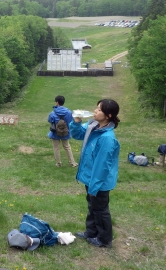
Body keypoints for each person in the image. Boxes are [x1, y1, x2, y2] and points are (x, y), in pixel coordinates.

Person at [70, 99, 120, 248]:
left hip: (99, 181)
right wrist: (77, 122)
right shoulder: (93, 126)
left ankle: (104, 240)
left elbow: (102, 166)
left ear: (108, 115)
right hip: (90, 177)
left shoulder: (107, 138)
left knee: (100, 209)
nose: (95, 111)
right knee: (92, 206)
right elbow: (78, 134)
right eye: (96, 108)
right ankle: (91, 232)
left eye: (99, 109)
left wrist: (94, 185)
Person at [47, 95, 78, 167]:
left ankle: (58, 163)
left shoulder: (52, 113)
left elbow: (50, 121)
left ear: (57, 102)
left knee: (56, 148)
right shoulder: (69, 112)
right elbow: (71, 121)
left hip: (55, 133)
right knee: (67, 147)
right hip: (65, 132)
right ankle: (72, 162)